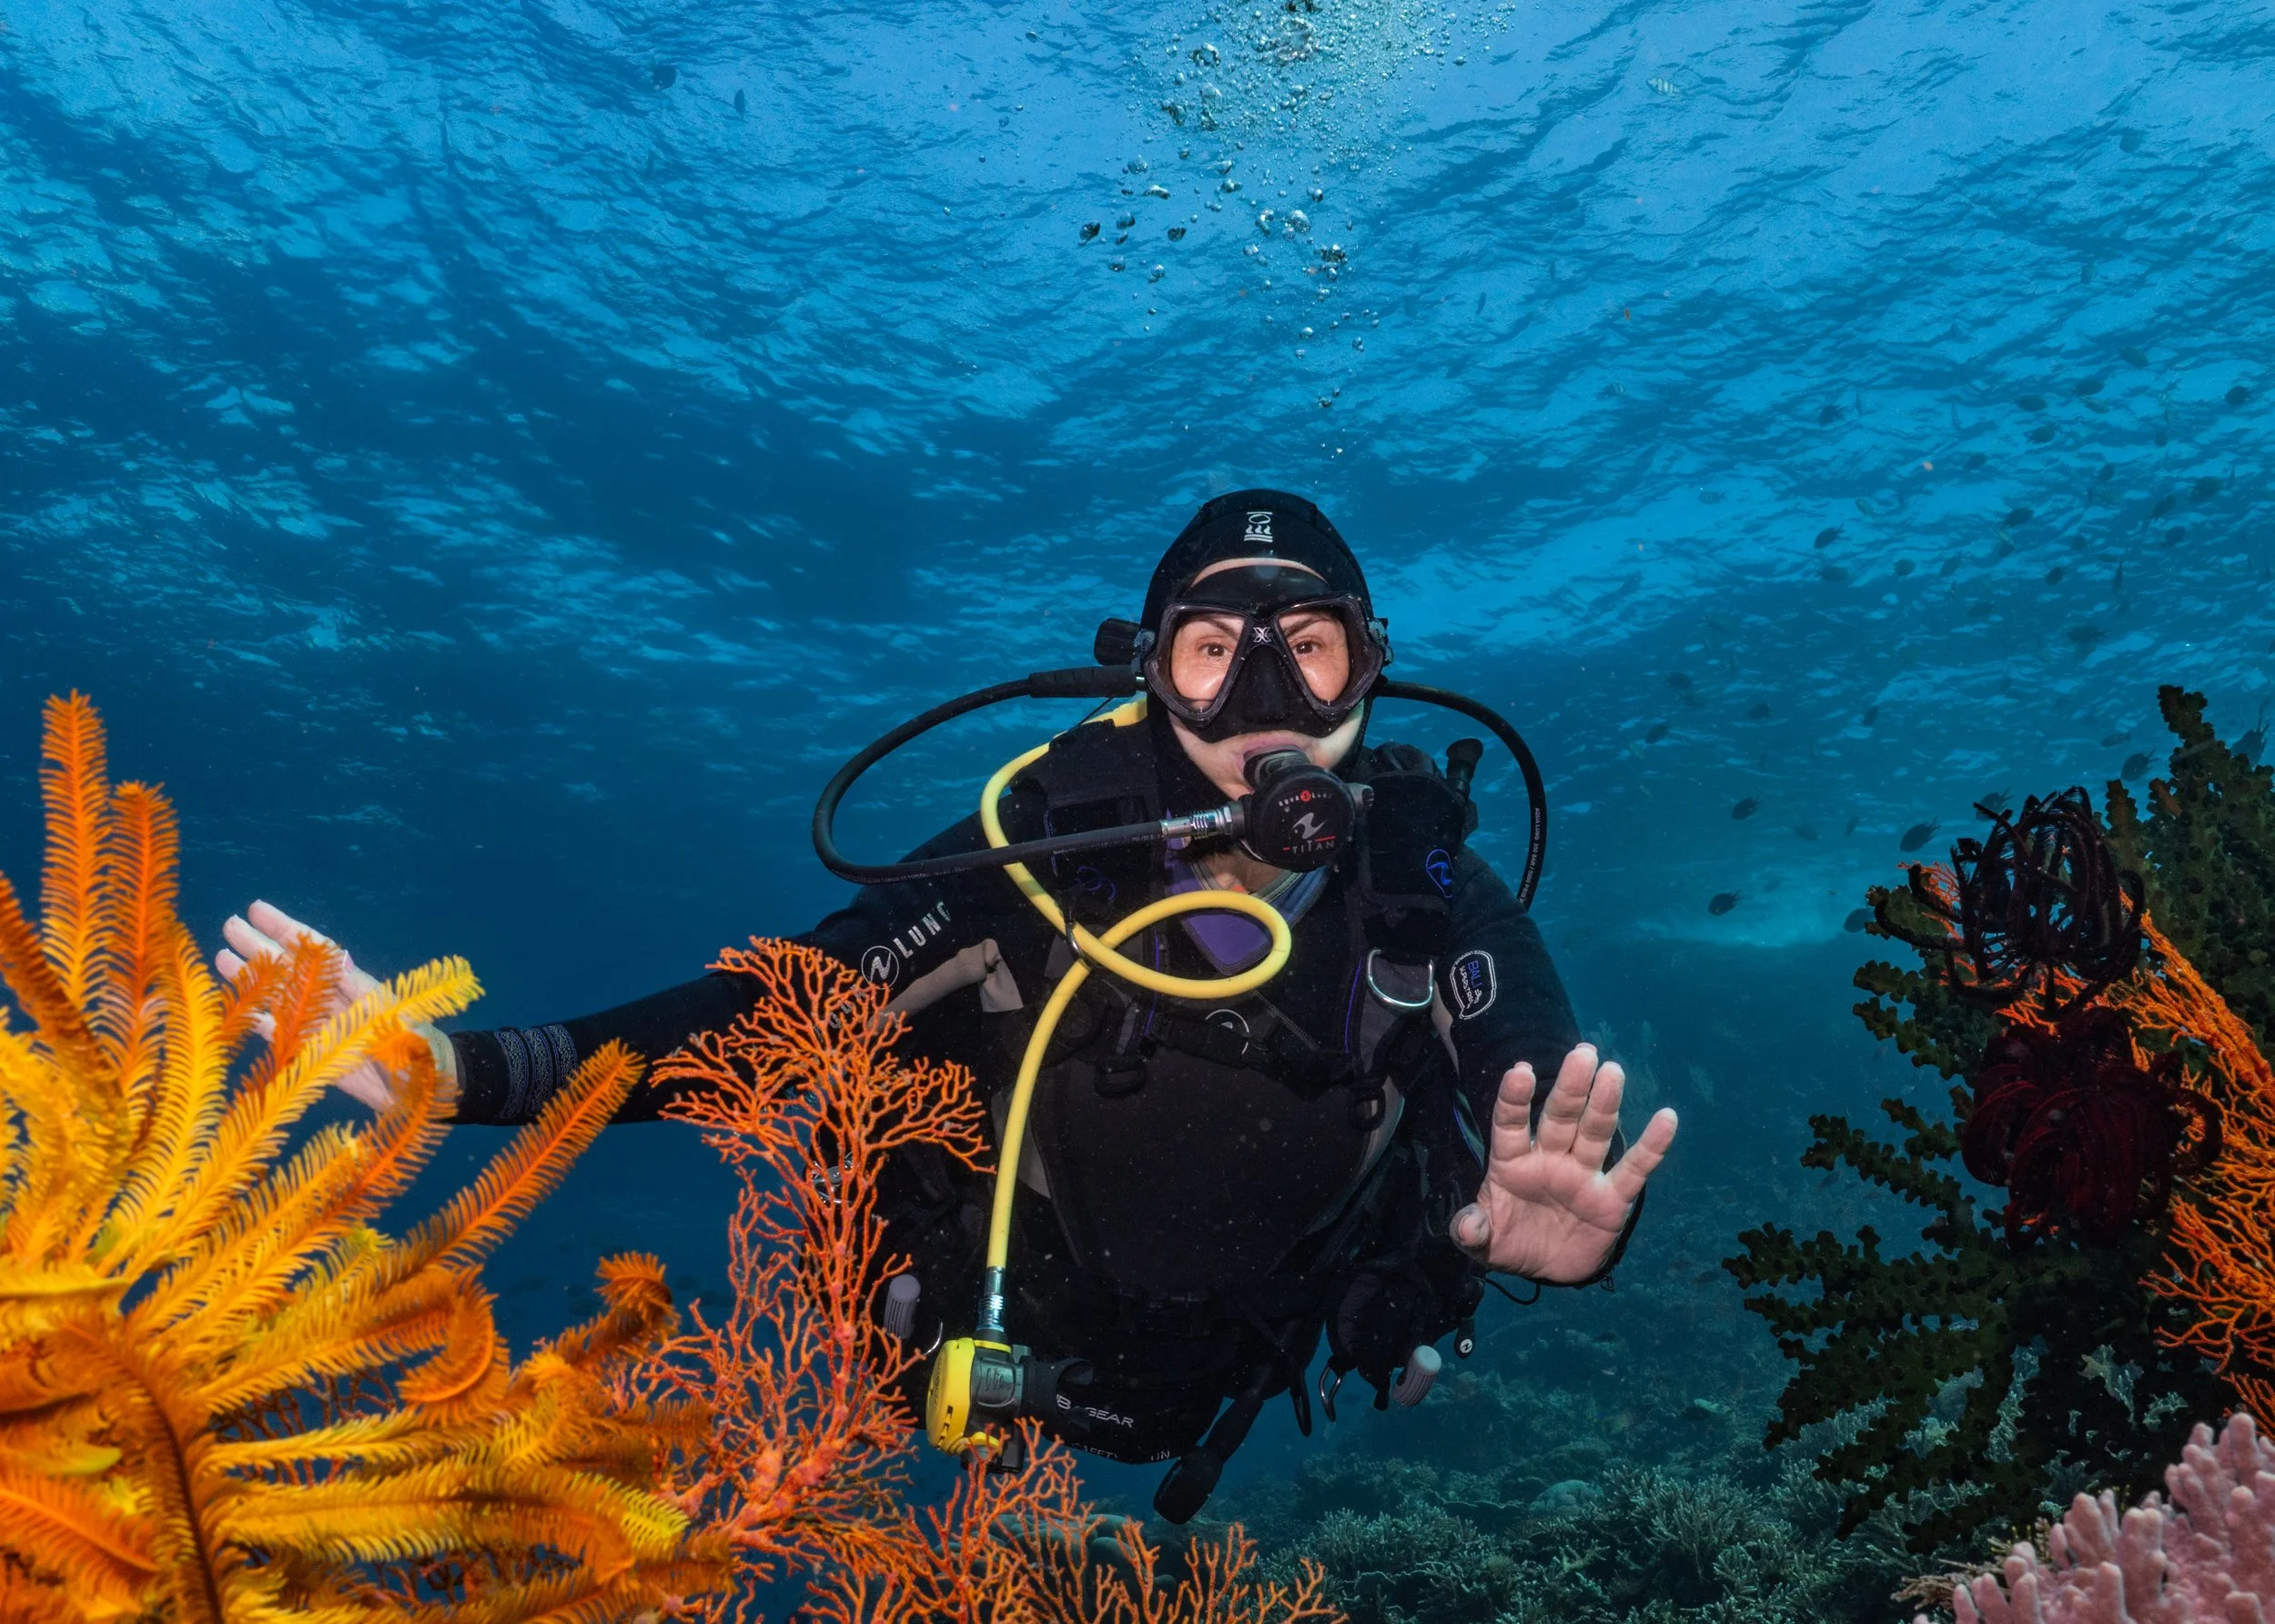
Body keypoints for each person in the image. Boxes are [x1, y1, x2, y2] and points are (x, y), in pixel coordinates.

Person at [218, 489, 1676, 1521]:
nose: (1260, 703)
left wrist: (1548, 1234)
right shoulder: (1039, 851)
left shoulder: (1422, 889)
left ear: (1370, 668)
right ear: (1149, 676)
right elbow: (773, 1017)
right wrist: (456, 1070)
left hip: (1261, 1338)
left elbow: (1527, 1085)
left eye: (1309, 646)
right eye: (1212, 652)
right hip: (994, 1329)